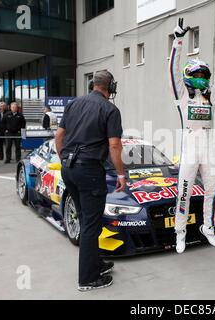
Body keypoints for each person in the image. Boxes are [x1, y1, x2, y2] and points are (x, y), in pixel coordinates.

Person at [169, 18, 215, 253]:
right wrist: (178, 40)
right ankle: (180, 233)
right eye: (197, 72)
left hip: (209, 151)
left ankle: (207, 227)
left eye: (204, 73)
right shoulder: (182, 94)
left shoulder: (211, 94)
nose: (201, 76)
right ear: (189, 74)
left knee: (212, 190)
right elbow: (172, 69)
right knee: (184, 193)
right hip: (189, 151)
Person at [55, 70, 125, 292]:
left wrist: (64, 159)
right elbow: (114, 146)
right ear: (110, 87)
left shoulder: (73, 104)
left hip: (69, 168)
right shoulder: (110, 109)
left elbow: (59, 136)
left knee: (86, 218)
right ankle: (87, 279)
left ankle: (95, 264)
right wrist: (121, 174)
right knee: (91, 225)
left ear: (93, 84)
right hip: (89, 170)